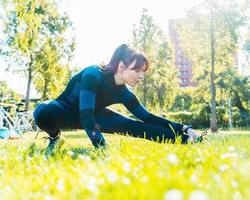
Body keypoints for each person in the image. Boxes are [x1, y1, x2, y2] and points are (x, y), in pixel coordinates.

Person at [33, 44, 203, 156]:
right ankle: (55, 138)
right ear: (121, 66)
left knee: (135, 127)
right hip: (66, 111)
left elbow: (148, 118)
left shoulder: (124, 93)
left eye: (143, 72)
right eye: (137, 71)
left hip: (95, 117)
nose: (141, 76)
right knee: (43, 112)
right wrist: (102, 149)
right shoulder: (93, 75)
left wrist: (185, 130)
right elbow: (86, 117)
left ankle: (188, 141)